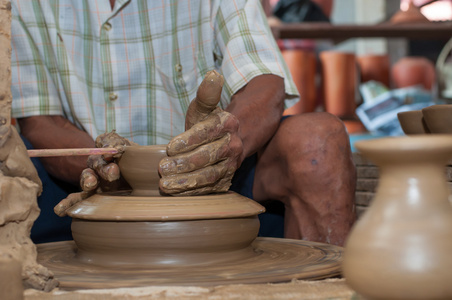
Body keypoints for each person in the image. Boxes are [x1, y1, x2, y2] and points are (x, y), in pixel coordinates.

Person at [11, 0, 356, 246]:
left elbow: (264, 82)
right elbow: (41, 119)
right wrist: (96, 161)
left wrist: (222, 142)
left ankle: (323, 287)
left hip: (218, 175)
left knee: (318, 140)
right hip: (90, 179)